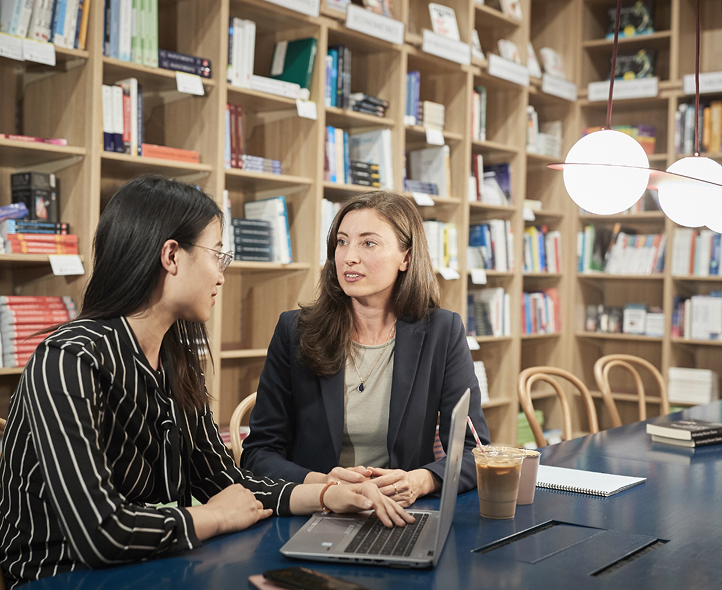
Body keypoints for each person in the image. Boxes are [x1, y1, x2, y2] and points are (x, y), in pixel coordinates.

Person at [0, 176, 412, 590]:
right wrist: (213, 516)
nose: (221, 275)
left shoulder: (176, 359)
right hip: (64, 577)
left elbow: (222, 479)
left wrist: (326, 493)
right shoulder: (69, 360)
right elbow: (100, 533)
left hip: (156, 565)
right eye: (217, 255)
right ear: (171, 257)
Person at [241, 191, 490, 507]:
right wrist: (324, 485)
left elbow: (474, 450)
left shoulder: (442, 331)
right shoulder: (295, 330)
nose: (349, 257)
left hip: (404, 509)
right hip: (317, 509)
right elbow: (258, 453)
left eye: (368, 243)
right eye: (342, 242)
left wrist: (422, 480)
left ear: (406, 257)